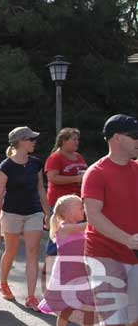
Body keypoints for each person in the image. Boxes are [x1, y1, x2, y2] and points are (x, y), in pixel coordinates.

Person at [82, 114, 138, 326]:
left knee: (134, 319)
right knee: (114, 321)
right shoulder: (96, 173)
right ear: (117, 138)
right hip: (105, 255)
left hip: (135, 255)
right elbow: (93, 216)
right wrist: (127, 239)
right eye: (135, 136)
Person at [0, 126, 51, 311]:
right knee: (10, 250)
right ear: (19, 142)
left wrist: (47, 212)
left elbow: (41, 189)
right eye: (30, 139)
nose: (34, 142)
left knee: (32, 252)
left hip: (34, 212)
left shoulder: (36, 163)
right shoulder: (5, 167)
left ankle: (32, 296)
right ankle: (3, 283)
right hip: (11, 213)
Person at [38, 195, 96, 326]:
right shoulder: (64, 228)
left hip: (82, 274)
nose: (84, 210)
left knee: (89, 307)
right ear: (68, 213)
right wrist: (97, 219)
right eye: (81, 208)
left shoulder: (78, 229)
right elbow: (85, 226)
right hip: (68, 276)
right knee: (67, 308)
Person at [44, 128, 88, 256]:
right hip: (60, 203)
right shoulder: (55, 157)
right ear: (64, 141)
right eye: (73, 139)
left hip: (76, 203)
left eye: (77, 139)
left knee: (75, 235)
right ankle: (49, 265)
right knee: (58, 234)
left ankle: (72, 262)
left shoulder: (79, 156)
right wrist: (75, 178)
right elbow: (52, 177)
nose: (77, 142)